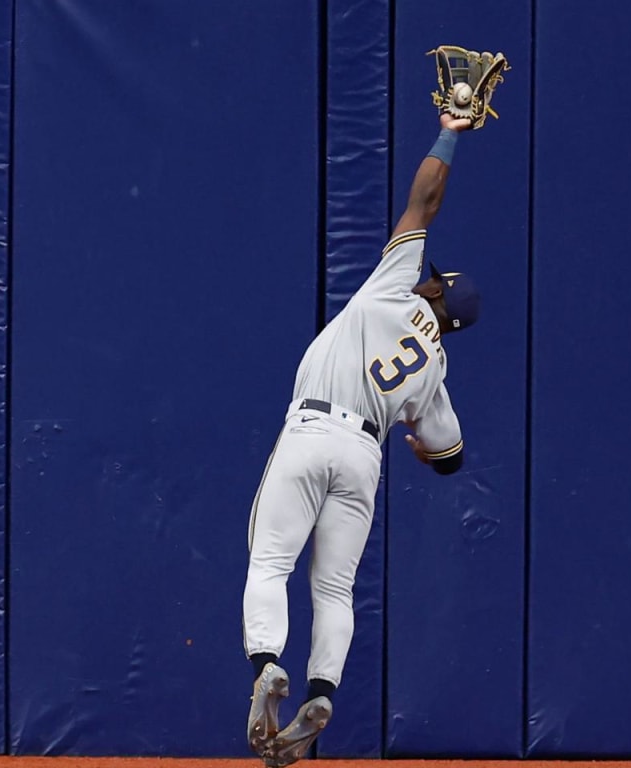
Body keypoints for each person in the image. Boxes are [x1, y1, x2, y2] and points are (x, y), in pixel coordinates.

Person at [241, 112, 482, 767]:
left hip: (314, 425)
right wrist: (421, 450)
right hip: (365, 456)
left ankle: (267, 664)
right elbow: (451, 456)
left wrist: (451, 130)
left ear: (433, 289)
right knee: (334, 591)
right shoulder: (436, 371)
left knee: (270, 565)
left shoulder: (392, 288)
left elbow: (424, 198)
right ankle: (320, 692)